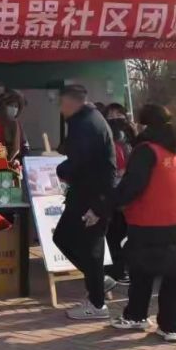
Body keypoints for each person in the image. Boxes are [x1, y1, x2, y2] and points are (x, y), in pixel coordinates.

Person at [107, 104, 176, 343]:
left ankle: (136, 315)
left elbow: (132, 186)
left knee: (141, 271)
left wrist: (108, 204)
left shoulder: (147, 150)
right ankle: (171, 327)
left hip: (149, 221)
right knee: (173, 277)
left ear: (145, 125)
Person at [53, 84, 118, 320]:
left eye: (62, 104)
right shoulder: (90, 119)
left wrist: (60, 169)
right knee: (71, 240)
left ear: (72, 102)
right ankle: (98, 284)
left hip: (92, 197)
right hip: (89, 195)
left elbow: (79, 161)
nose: (61, 109)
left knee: (87, 246)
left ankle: (97, 303)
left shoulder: (86, 124)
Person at [104, 103, 137, 286]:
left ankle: (125, 267)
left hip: (130, 191)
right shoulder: (106, 137)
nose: (115, 118)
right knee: (114, 232)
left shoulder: (131, 137)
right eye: (111, 115)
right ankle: (116, 270)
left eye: (119, 114)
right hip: (113, 192)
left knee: (126, 232)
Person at [0, 89, 30, 164]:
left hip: (14, 167)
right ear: (3, 105)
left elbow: (25, 147)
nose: (14, 109)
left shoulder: (17, 125)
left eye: (16, 106)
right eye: (10, 105)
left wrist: (18, 160)